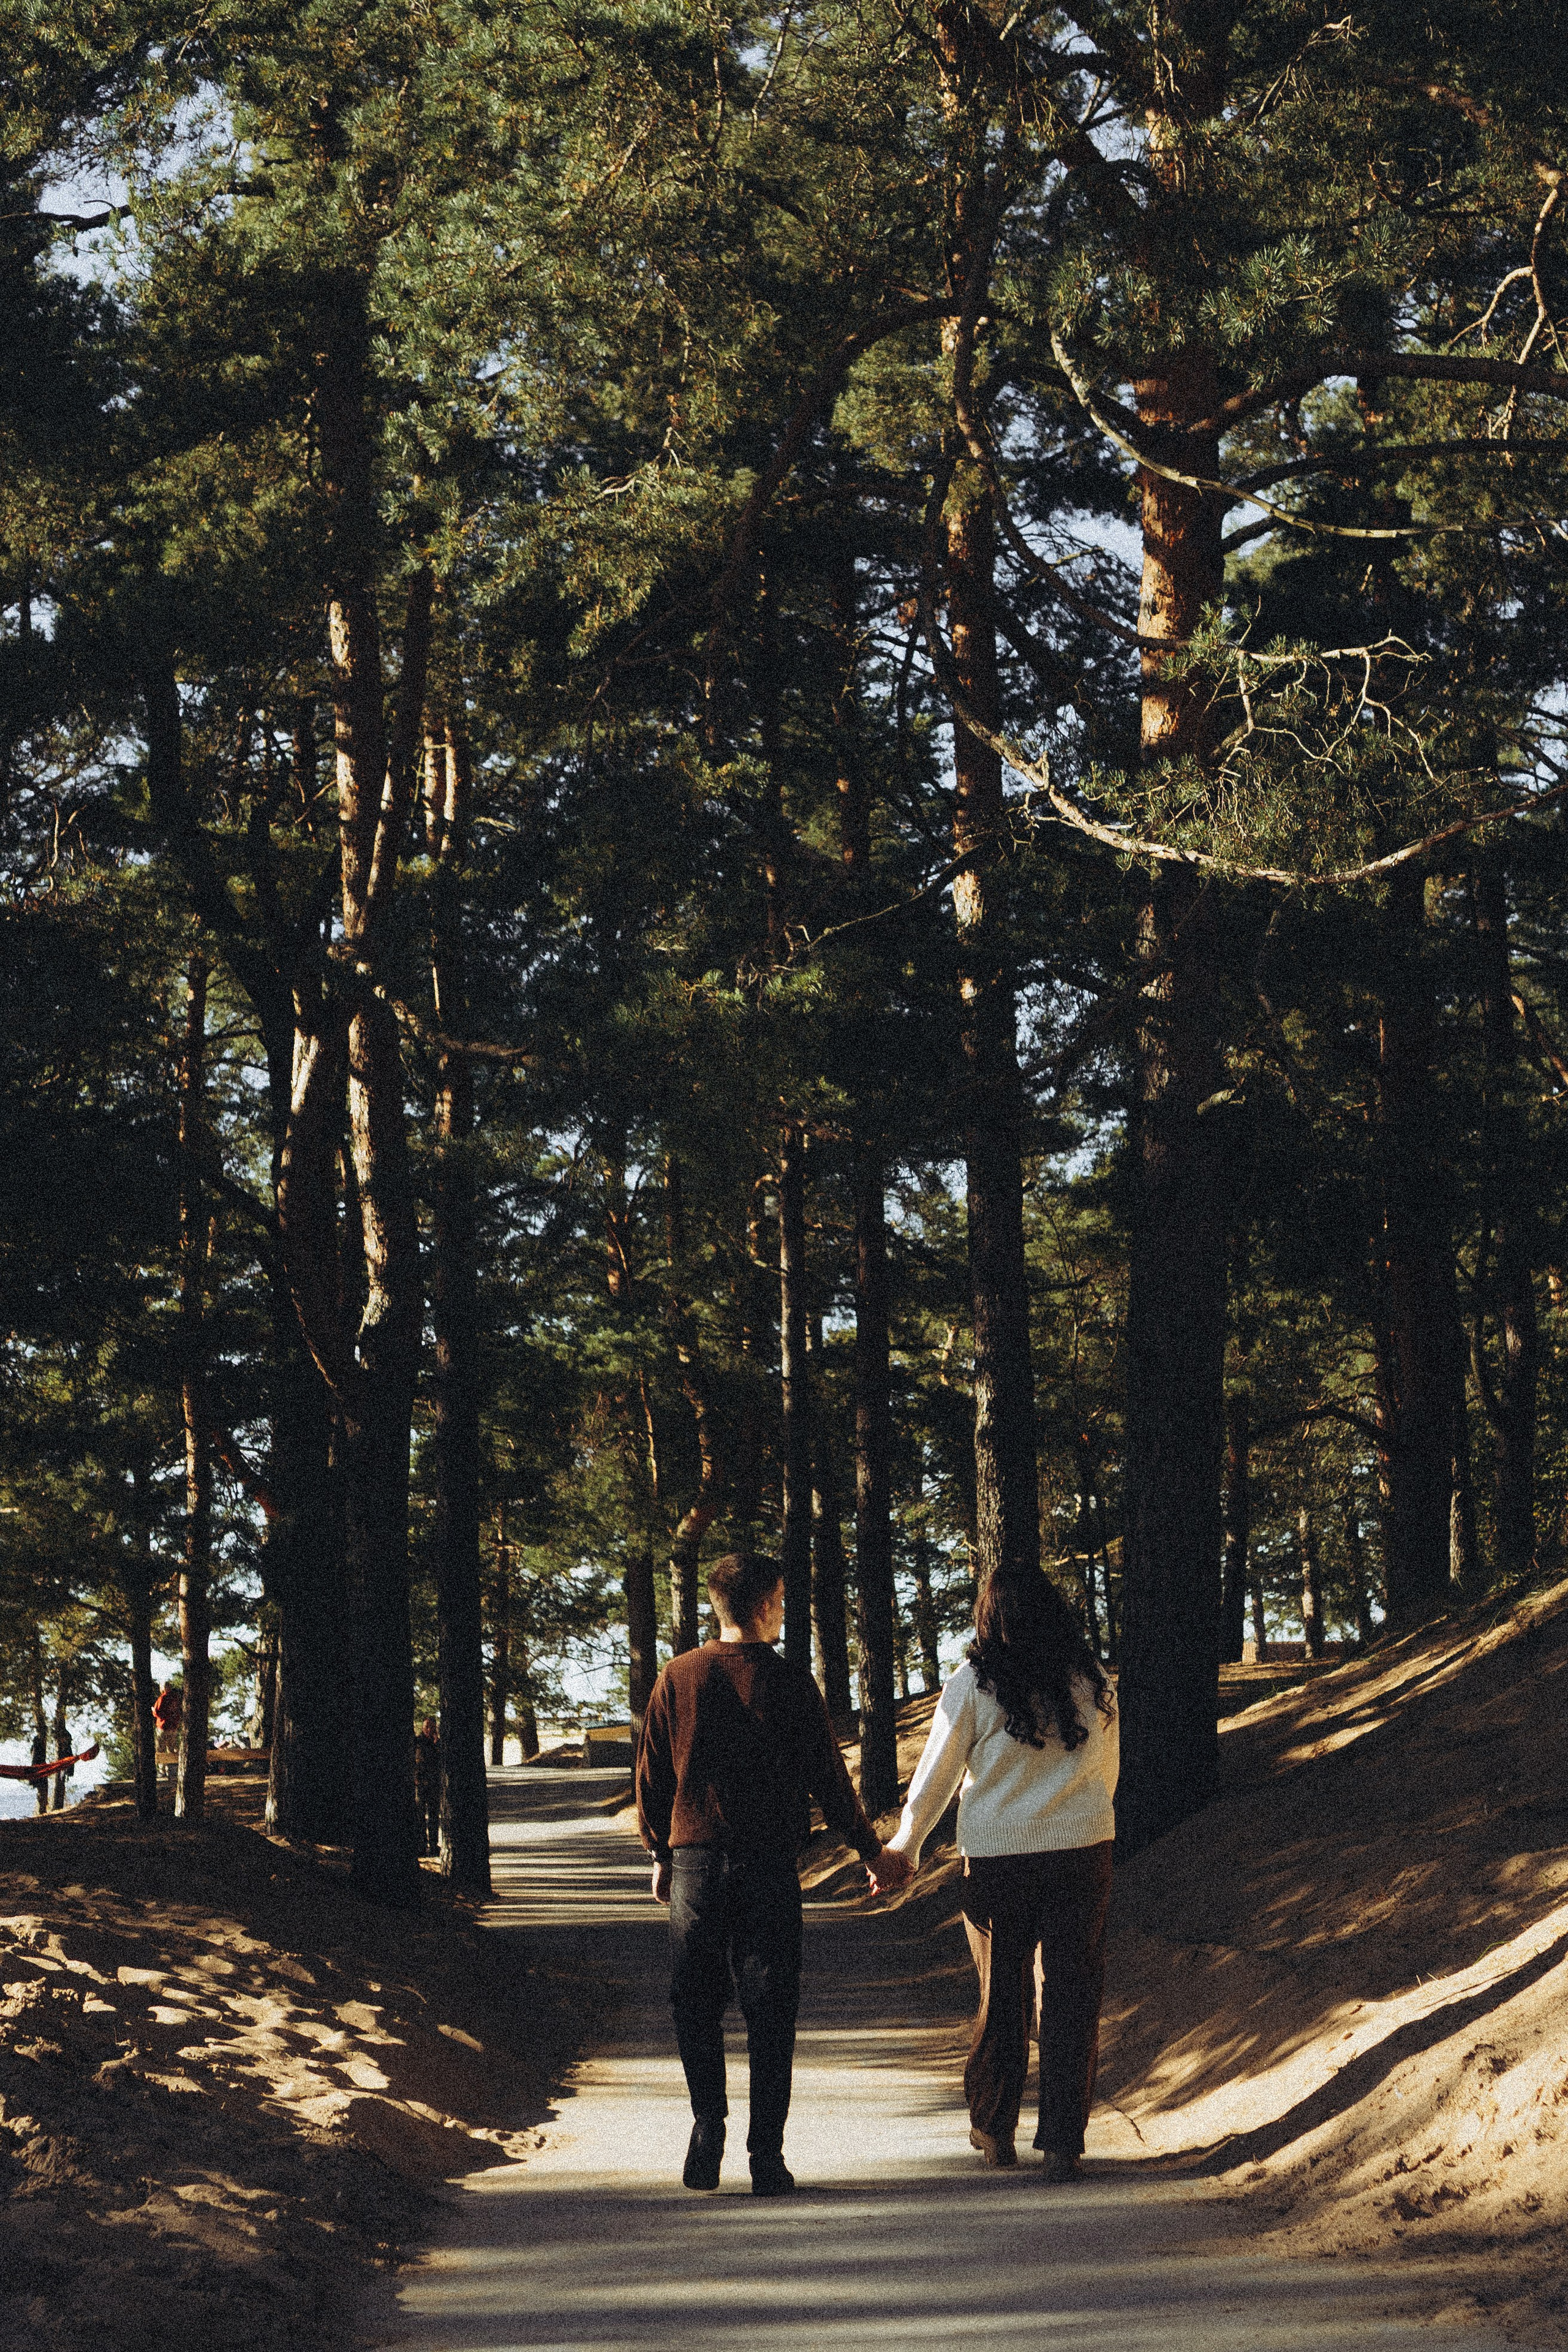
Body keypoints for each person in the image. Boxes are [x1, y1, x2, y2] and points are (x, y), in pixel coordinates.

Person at [636, 1550, 910, 2197]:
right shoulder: (790, 1682)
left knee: (695, 2001)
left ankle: (708, 2128)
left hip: (696, 1865)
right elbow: (828, 1779)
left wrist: (659, 1855)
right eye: (782, 1600)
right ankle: (767, 2157)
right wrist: (871, 1852)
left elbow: (650, 1778)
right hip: (767, 1867)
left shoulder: (677, 1676)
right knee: (770, 2008)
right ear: (762, 1606)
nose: (785, 1610)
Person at [884, 1570, 1117, 2182]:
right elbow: (1107, 1773)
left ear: (988, 1620)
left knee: (1003, 1992)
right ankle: (1064, 2142)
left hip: (996, 1862)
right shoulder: (1090, 1680)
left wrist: (906, 1844)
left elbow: (936, 1775)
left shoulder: (972, 1684)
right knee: (1072, 1992)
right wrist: (1080, 1818)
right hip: (1082, 1854)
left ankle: (993, 2127)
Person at [414, 1717, 441, 1857]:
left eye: (432, 1727)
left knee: (433, 1817)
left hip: (434, 1785)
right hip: (420, 1784)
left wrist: (437, 1745)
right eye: (427, 1727)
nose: (429, 1730)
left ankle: (434, 1844)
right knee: (420, 1817)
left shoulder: (438, 1743)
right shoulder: (417, 1742)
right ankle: (421, 1845)